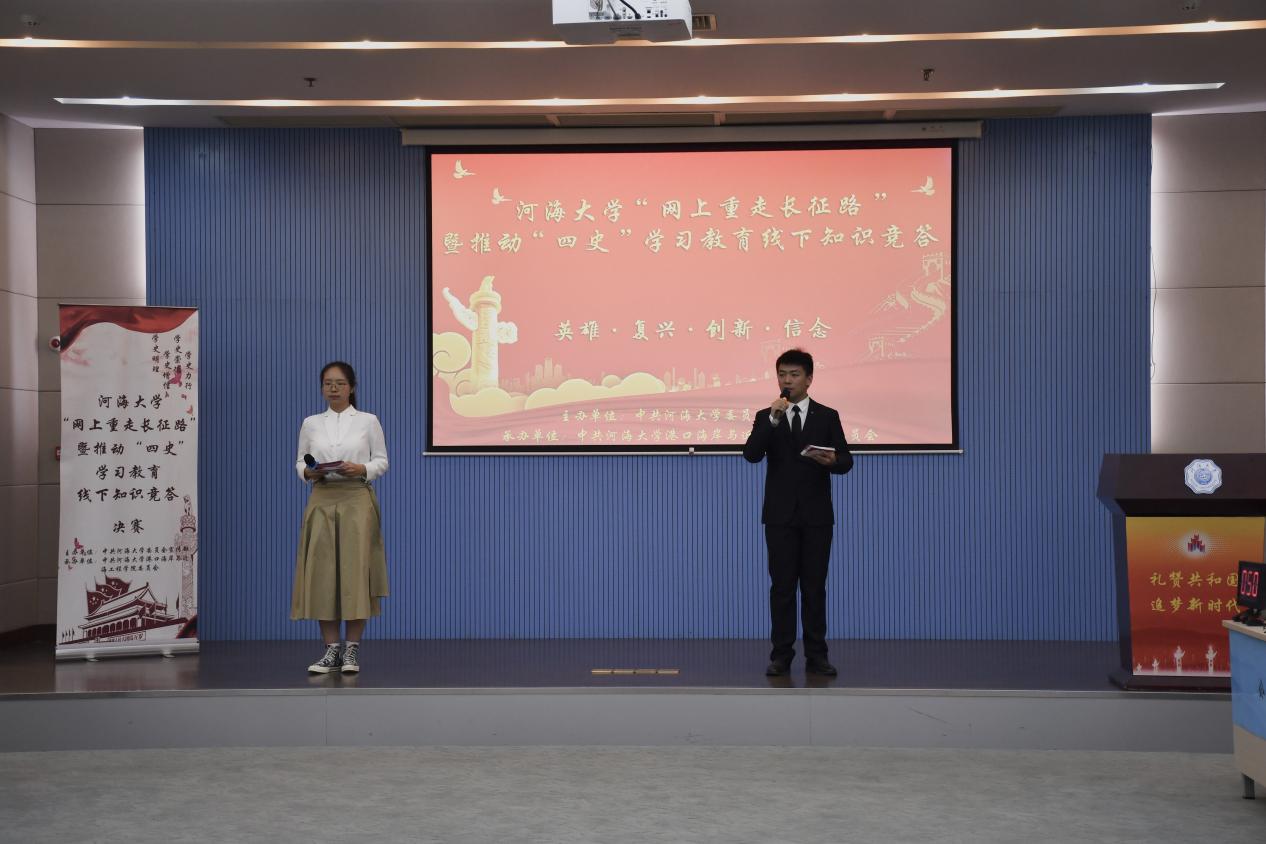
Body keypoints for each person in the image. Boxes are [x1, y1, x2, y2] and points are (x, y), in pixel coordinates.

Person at [743, 348, 853, 677]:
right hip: (779, 517)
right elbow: (751, 454)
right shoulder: (767, 416)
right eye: (782, 375)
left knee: (814, 588)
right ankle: (781, 656)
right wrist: (773, 420)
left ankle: (817, 656)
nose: (787, 381)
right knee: (782, 588)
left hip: (816, 516)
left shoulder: (827, 416)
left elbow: (846, 461)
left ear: (809, 379)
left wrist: (832, 461)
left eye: (794, 375)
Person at [291, 361, 389, 674]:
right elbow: (300, 462)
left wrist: (361, 468)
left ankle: (352, 650)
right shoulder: (311, 423)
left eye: (340, 383)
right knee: (323, 573)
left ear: (352, 387)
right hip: (322, 498)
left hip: (356, 498)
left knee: (355, 572)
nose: (333, 389)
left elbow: (382, 461)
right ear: (322, 388)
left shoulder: (368, 421)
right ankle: (331, 650)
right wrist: (309, 471)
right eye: (328, 384)